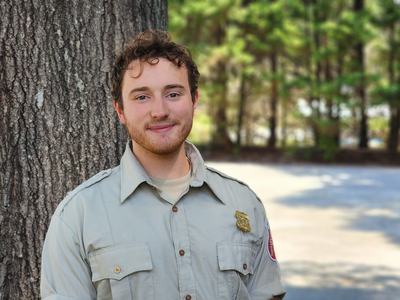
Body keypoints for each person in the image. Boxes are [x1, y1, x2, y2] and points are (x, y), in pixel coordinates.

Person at [40, 30, 285, 300]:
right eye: (142, 97)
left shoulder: (243, 204)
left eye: (173, 94)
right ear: (120, 110)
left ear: (194, 100)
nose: (159, 111)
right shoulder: (78, 215)